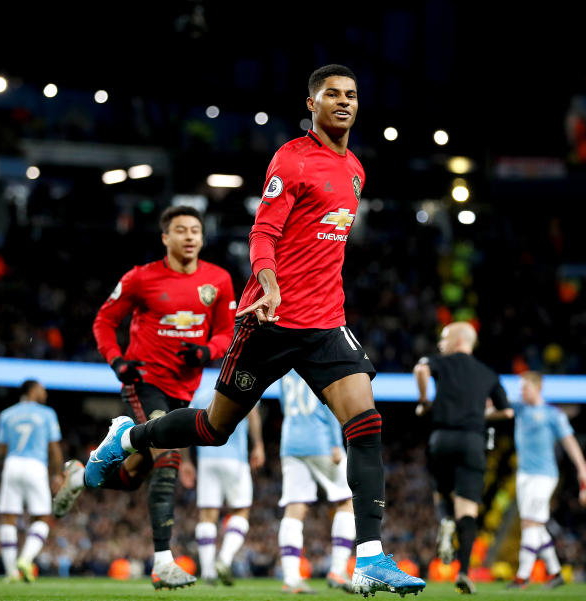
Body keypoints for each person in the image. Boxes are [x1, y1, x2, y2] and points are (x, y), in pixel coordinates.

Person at [82, 64, 426, 597]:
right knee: (213, 428)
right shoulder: (291, 158)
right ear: (311, 104)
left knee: (367, 422)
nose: (343, 102)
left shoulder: (356, 169)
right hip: (269, 319)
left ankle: (370, 558)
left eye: (351, 95)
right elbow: (264, 229)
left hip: (325, 323)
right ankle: (128, 437)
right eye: (331, 94)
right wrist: (266, 280)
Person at [52, 205, 236, 590]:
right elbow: (104, 321)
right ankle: (163, 563)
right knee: (167, 460)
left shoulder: (218, 281)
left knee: (136, 475)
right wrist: (117, 361)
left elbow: (225, 333)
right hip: (145, 381)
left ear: (202, 238)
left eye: (195, 230)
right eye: (181, 230)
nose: (189, 236)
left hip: (182, 391)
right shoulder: (141, 278)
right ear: (165, 238)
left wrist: (206, 352)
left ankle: (80, 477)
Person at [412, 321, 513, 594]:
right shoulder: (487, 373)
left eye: (444, 338)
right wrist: (481, 414)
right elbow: (507, 412)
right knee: (468, 510)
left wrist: (423, 400)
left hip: (442, 437)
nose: (440, 344)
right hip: (472, 441)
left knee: (441, 495)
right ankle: (465, 572)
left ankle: (445, 520)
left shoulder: (441, 363)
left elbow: (421, 369)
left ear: (458, 340)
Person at [505, 371, 586, 590]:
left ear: (537, 388)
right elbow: (497, 407)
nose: (521, 392)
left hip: (544, 475)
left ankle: (522, 576)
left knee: (530, 523)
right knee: (536, 526)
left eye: (525, 387)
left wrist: (582, 468)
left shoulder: (553, 415)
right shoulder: (520, 408)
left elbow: (569, 441)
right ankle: (556, 573)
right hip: (523, 475)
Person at [277, 370, 357, 594]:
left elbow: (284, 405)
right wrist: (335, 443)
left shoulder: (286, 369)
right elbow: (331, 402)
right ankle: (338, 570)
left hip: (290, 443)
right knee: (347, 500)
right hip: (320, 441)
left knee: (294, 508)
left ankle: (291, 577)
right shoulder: (319, 360)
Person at [188, 388, 264, 586]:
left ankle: (208, 572)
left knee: (207, 516)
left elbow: (187, 426)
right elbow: (253, 414)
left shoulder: (201, 394)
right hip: (235, 459)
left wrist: (186, 462)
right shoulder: (242, 385)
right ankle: (225, 558)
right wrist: (258, 445)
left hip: (207, 459)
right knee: (241, 511)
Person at [0, 380, 63, 583]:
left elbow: (0, 451)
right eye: (42, 389)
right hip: (36, 466)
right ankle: (25, 560)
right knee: (43, 518)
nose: (45, 393)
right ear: (32, 391)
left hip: (12, 464)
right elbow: (54, 449)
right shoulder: (47, 413)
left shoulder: (6, 414)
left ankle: (10, 573)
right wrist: (57, 474)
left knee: (9, 518)